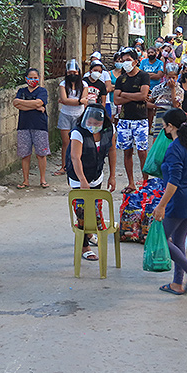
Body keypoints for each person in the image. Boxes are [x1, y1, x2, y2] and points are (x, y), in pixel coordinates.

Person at [152, 108, 187, 295]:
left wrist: (161, 205)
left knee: (161, 239)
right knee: (179, 241)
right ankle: (177, 283)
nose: (163, 129)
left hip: (180, 198)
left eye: (164, 126)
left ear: (171, 126)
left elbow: (173, 182)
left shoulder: (174, 148)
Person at [66, 105, 117, 261]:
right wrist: (82, 180)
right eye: (90, 122)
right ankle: (84, 246)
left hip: (97, 175)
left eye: (97, 124)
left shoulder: (109, 131)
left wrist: (112, 176)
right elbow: (75, 157)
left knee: (95, 208)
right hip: (78, 177)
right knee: (81, 211)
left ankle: (89, 232)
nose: (93, 126)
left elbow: (112, 151)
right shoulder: (78, 133)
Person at [113, 49, 150, 193]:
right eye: (123, 60)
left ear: (135, 61)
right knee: (127, 152)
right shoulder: (121, 79)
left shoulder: (143, 76)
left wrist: (125, 95)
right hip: (124, 120)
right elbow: (116, 100)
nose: (125, 63)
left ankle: (146, 182)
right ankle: (131, 183)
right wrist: (135, 95)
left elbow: (143, 95)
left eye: (127, 60)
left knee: (142, 152)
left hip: (140, 119)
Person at [13, 67, 49, 189]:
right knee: (25, 154)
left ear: (39, 79)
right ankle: (25, 180)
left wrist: (24, 103)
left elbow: (39, 102)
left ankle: (43, 180)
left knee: (41, 154)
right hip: (23, 126)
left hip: (40, 126)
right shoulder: (21, 91)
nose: (33, 80)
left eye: (35, 78)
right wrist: (35, 106)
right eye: (30, 77)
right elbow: (15, 103)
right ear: (26, 78)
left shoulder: (42, 91)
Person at [53, 60, 87, 177]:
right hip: (65, 115)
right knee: (66, 142)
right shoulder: (63, 84)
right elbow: (65, 99)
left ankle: (79, 166)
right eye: (70, 72)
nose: (72, 74)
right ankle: (64, 166)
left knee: (78, 142)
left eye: (74, 72)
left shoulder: (84, 85)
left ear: (78, 72)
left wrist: (68, 101)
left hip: (79, 116)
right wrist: (79, 101)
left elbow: (82, 99)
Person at [140, 45, 165, 134]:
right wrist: (151, 75)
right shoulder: (143, 62)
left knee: (151, 109)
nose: (150, 54)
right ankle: (144, 127)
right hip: (144, 87)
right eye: (149, 52)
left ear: (156, 53)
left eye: (152, 52)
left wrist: (147, 74)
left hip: (155, 88)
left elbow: (159, 75)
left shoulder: (159, 63)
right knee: (145, 107)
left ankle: (150, 127)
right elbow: (140, 74)